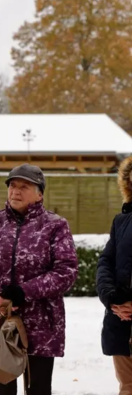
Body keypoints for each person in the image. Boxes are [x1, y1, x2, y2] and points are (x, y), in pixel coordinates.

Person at [0, 164, 79, 395]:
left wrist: (24, 291)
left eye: (24, 186)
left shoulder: (55, 225)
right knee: (1, 387)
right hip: (1, 320)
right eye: (12, 185)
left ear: (40, 193)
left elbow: (66, 271)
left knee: (39, 388)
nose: (15, 191)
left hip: (42, 322)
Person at [97, 157, 132, 395]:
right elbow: (105, 262)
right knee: (128, 387)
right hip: (121, 322)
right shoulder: (121, 221)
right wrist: (112, 298)